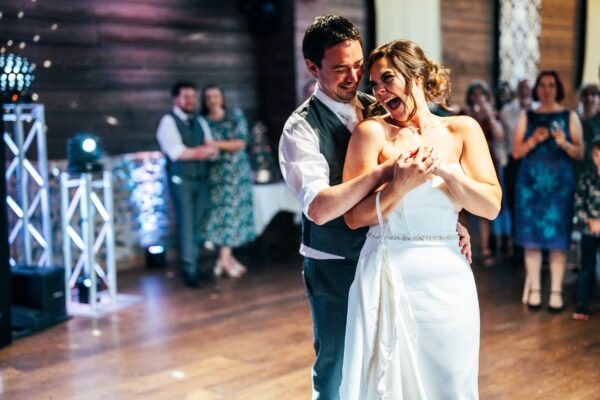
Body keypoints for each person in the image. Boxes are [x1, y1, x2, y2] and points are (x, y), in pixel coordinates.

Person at [279, 15, 472, 399]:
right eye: (339, 69)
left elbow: (423, 176)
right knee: (337, 369)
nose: (354, 77)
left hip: (389, 257)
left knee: (386, 366)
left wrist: (450, 219)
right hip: (335, 262)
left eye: (358, 65)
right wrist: (386, 172)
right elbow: (318, 208)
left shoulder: (377, 107)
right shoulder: (300, 129)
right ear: (313, 68)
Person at [338, 39, 501, 399]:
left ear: (417, 75)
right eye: (375, 85)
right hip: (389, 270)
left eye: (388, 79)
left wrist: (448, 173)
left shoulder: (463, 130)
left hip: (449, 278)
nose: (380, 91)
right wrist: (399, 186)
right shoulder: (372, 133)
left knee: (451, 380)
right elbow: (353, 218)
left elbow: (490, 206)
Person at [512, 70, 584, 312]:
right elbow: (516, 153)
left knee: (557, 239)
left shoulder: (569, 116)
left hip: (559, 188)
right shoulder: (527, 115)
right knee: (531, 239)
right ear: (537, 89)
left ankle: (555, 291)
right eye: (542, 85)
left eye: (551, 85)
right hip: (530, 186)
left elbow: (580, 153)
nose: (546, 90)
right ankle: (533, 290)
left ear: (558, 88)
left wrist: (563, 142)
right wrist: (533, 140)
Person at [156, 81, 219, 287]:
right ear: (176, 99)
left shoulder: (200, 121)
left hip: (202, 179)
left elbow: (213, 148)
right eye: (186, 96)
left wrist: (199, 152)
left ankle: (198, 265)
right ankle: (188, 269)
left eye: (193, 96)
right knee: (187, 224)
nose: (190, 100)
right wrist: (200, 152)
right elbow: (177, 153)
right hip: (182, 180)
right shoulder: (168, 121)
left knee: (199, 223)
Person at [200, 84, 256, 278]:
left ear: (221, 98)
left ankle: (224, 259)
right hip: (216, 175)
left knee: (235, 215)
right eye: (208, 97)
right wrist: (222, 146)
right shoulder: (204, 121)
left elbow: (240, 143)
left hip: (237, 174)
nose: (212, 100)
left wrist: (215, 144)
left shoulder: (234, 115)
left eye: (215, 96)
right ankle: (225, 259)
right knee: (221, 216)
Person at [464, 80, 503, 265]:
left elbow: (499, 136)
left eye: (481, 93)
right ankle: (462, 245)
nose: (477, 97)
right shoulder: (464, 115)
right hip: (464, 161)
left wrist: (490, 116)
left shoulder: (491, 115)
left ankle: (486, 249)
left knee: (482, 204)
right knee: (462, 206)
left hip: (485, 159)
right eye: (474, 93)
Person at [500, 78, 537, 260]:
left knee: (535, 205)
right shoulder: (508, 111)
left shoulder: (539, 108)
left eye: (528, 88)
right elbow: (503, 140)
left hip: (535, 163)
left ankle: (537, 247)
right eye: (522, 88)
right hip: (514, 163)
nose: (525, 91)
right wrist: (503, 161)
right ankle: (518, 247)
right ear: (518, 90)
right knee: (516, 205)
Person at [573, 135, 600, 320]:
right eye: (597, 154)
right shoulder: (587, 177)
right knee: (586, 267)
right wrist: (590, 222)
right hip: (589, 231)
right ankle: (582, 305)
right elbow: (578, 205)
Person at [578, 84, 600, 173]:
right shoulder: (573, 119)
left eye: (593, 94)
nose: (589, 98)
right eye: (585, 94)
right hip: (576, 170)